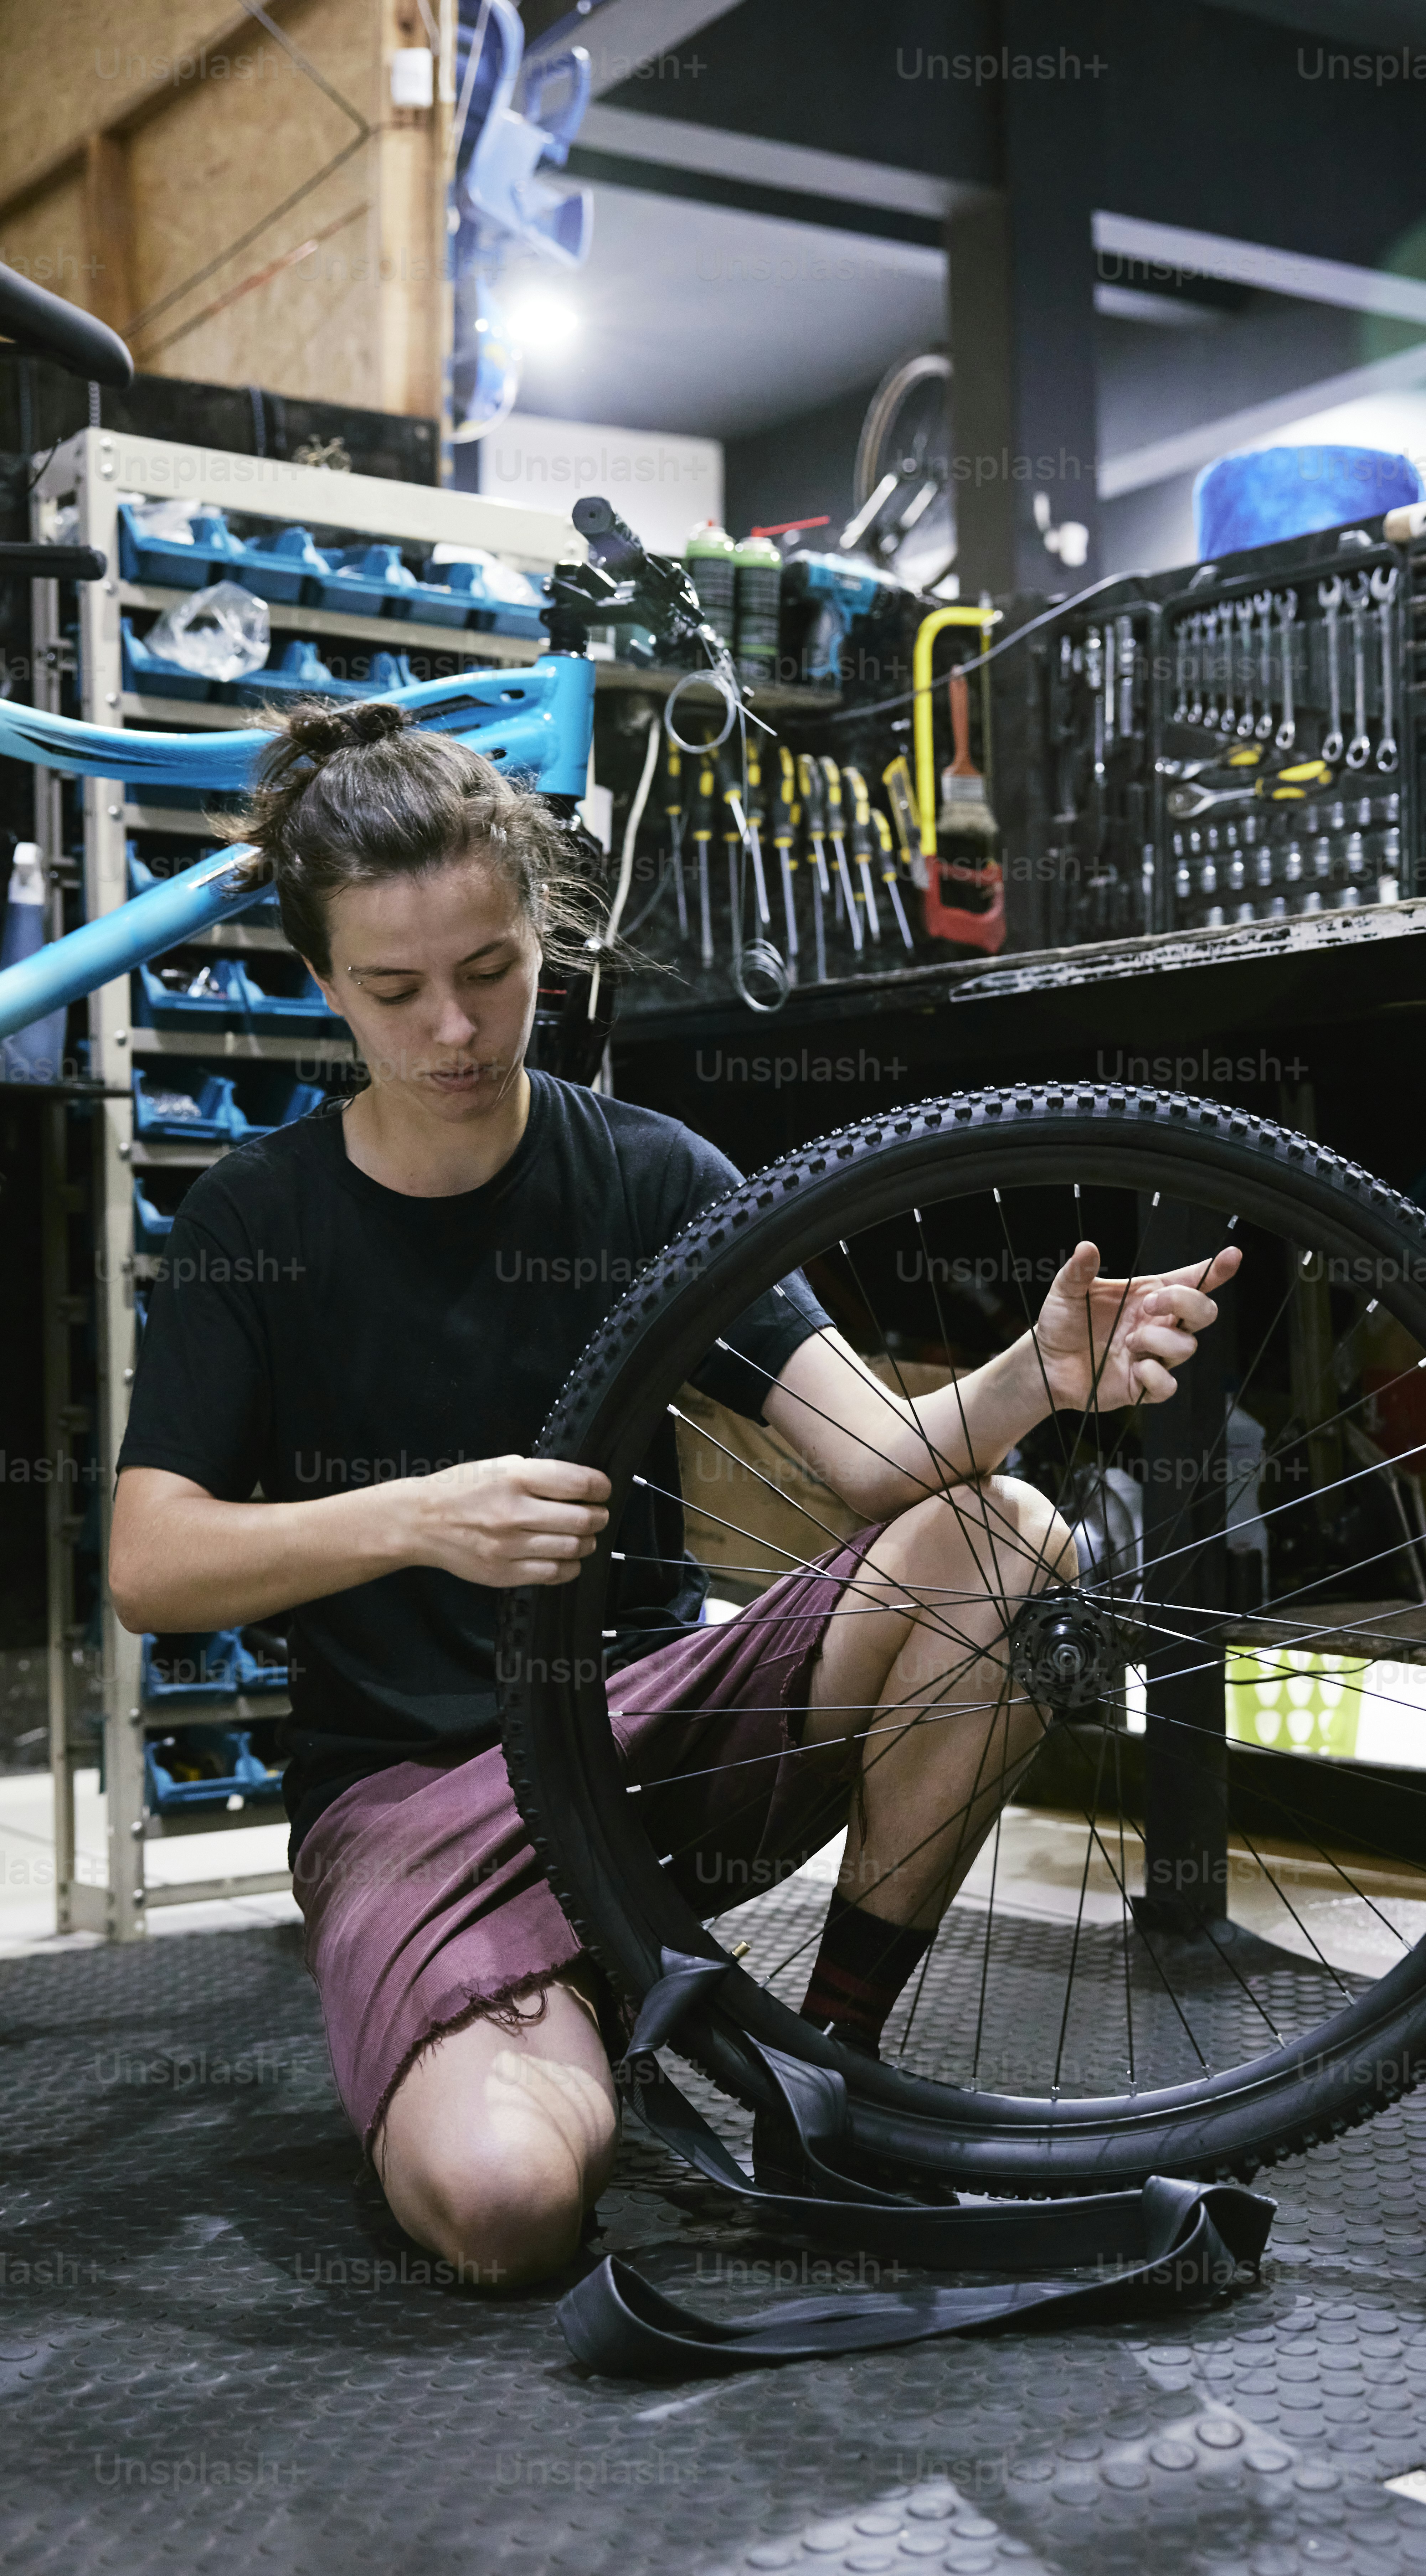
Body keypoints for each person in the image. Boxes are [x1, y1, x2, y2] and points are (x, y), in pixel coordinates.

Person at [109, 699, 1238, 2288]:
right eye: (395, 990)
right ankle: (553, 2014)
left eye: (492, 972)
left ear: (543, 941)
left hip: (651, 1742)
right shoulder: (253, 1219)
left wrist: (1027, 1382)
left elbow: (875, 1466)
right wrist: (423, 1516)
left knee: (1008, 1539)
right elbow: (150, 1563)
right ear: (323, 988)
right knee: (508, 2210)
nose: (453, 1028)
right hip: (413, 1805)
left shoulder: (649, 1175)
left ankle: (827, 2086)